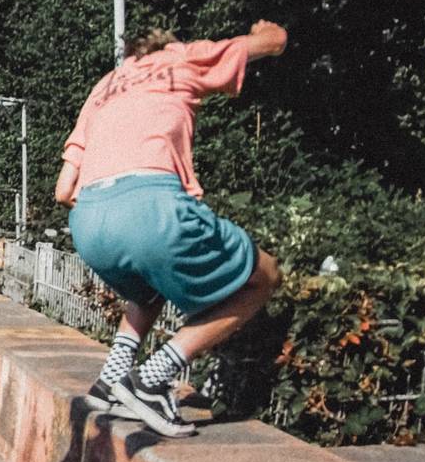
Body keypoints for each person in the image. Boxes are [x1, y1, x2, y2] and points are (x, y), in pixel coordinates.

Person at [55, 23, 290, 438]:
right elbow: (272, 43)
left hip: (88, 221)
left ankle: (111, 379)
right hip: (153, 204)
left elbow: (63, 190)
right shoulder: (180, 58)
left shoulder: (106, 85)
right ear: (167, 45)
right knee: (264, 276)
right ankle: (151, 379)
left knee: (148, 286)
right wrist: (265, 32)